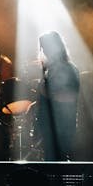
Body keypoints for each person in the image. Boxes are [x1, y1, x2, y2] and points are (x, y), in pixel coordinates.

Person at [34, 31, 80, 161]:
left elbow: (70, 97)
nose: (45, 51)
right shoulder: (50, 69)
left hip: (61, 126)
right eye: (43, 47)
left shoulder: (67, 69)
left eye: (47, 46)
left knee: (57, 163)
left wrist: (46, 93)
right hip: (50, 126)